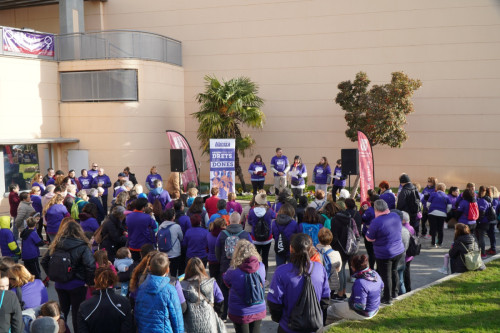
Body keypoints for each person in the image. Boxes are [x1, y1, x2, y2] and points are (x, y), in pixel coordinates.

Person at [268, 233, 330, 333]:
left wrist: (279, 319)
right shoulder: (320, 269)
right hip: (315, 326)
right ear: (310, 249)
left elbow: (274, 302)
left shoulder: (281, 271)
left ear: (290, 248)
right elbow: (325, 299)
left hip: (288, 327)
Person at [41, 221, 96, 332]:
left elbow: (44, 261)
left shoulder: (56, 244)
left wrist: (52, 275)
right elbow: (90, 265)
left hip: (60, 284)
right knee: (77, 313)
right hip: (78, 284)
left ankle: (62, 330)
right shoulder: (83, 246)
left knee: (63, 312)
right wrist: (89, 282)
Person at [365, 200, 405, 305]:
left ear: (376, 209)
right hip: (398, 250)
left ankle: (387, 298)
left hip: (385, 253)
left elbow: (369, 238)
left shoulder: (376, 221)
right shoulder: (395, 216)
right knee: (394, 271)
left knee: (386, 275)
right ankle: (394, 293)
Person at [223, 240, 266, 333]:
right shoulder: (261, 267)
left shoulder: (233, 271)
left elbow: (226, 282)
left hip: (240, 311)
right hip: (258, 307)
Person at [134, 252, 184, 333]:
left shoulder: (141, 287)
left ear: (149, 268)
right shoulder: (170, 290)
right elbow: (177, 319)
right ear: (167, 270)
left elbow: (137, 314)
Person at [215, 213, 252, 320]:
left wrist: (222, 262)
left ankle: (223, 314)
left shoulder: (222, 234)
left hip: (226, 268)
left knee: (224, 292)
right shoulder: (245, 235)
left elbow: (217, 251)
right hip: (241, 268)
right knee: (241, 291)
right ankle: (240, 313)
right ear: (240, 221)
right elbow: (251, 252)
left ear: (229, 222)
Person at [328, 254, 383, 320]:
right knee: (340, 306)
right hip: (375, 308)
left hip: (364, 313)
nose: (350, 267)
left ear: (355, 268)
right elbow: (382, 287)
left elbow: (360, 306)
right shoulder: (374, 273)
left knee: (332, 308)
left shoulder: (360, 282)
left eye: (351, 265)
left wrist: (350, 303)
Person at [77, 267, 133, 333]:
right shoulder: (124, 302)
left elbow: (82, 330)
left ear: (95, 280)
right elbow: (128, 328)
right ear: (113, 280)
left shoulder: (84, 306)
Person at [181, 257, 225, 333]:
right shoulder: (211, 283)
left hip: (190, 323)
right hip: (210, 321)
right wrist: (216, 314)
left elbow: (181, 306)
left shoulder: (182, 286)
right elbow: (220, 299)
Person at [329, 207, 356, 301]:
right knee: (343, 270)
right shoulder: (349, 219)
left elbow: (334, 236)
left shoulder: (335, 220)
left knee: (340, 271)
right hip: (347, 248)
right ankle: (343, 292)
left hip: (338, 248)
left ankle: (340, 294)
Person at [247, 193, 276, 280]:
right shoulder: (269, 211)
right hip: (267, 238)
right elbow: (275, 216)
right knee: (265, 258)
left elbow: (249, 222)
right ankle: (264, 277)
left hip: (255, 238)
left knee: (256, 257)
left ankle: (256, 276)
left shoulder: (252, 211)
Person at [126, 198, 158, 262]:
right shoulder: (147, 217)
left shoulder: (128, 216)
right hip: (144, 246)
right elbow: (155, 227)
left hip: (132, 245)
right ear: (143, 207)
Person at [157, 209, 184, 277]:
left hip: (163, 253)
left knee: (165, 273)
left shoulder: (161, 226)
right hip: (175, 253)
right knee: (174, 272)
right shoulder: (177, 227)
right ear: (173, 217)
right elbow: (181, 238)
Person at [316, 228, 341, 300]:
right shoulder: (336, 253)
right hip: (331, 283)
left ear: (319, 239)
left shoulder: (313, 252)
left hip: (318, 283)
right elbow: (338, 269)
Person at [427, 183, 451, 248]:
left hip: (432, 213)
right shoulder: (446, 196)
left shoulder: (433, 194)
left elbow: (428, 204)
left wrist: (430, 209)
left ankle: (433, 242)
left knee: (433, 228)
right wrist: (446, 211)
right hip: (442, 214)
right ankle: (440, 243)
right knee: (440, 229)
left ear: (436, 188)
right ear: (444, 189)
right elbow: (449, 206)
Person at [476, 186, 493, 258]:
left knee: (481, 237)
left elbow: (482, 212)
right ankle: (481, 252)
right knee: (480, 237)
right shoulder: (489, 200)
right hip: (486, 221)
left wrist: (478, 221)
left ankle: (482, 253)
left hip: (482, 221)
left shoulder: (483, 201)